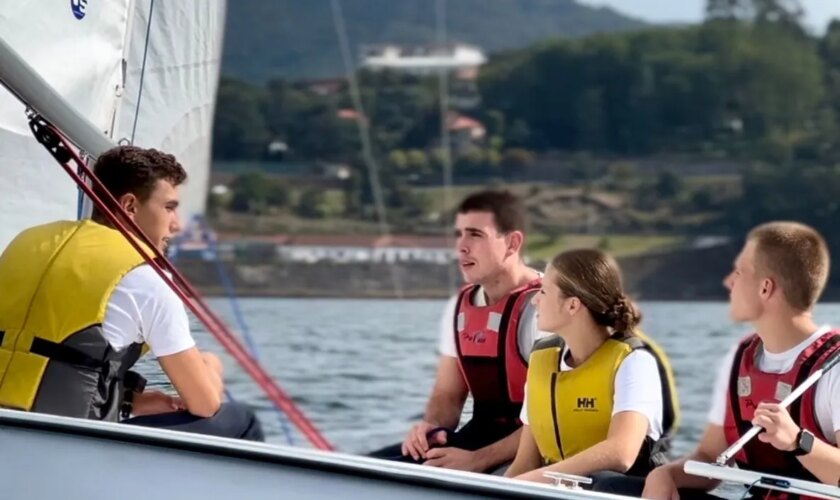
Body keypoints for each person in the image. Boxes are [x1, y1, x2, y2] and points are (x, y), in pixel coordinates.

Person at [0, 145, 263, 441]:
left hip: (9, 431)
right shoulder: (145, 278)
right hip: (68, 444)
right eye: (169, 208)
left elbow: (39, 359)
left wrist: (129, 400)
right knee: (242, 420)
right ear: (129, 206)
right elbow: (204, 404)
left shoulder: (25, 243)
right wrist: (211, 366)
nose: (176, 225)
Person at [643, 221, 840, 499]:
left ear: (765, 288)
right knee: (608, 485)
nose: (729, 282)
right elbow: (711, 456)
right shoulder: (739, 359)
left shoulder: (835, 367)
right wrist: (666, 474)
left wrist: (798, 442)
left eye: (739, 272)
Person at [369, 190, 549, 473]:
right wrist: (432, 430)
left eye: (476, 235)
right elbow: (448, 394)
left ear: (512, 243)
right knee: (371, 468)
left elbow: (557, 418)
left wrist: (478, 461)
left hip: (538, 452)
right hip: (478, 440)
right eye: (459, 234)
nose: (462, 247)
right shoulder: (459, 307)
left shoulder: (547, 307)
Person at [505, 248, 679, 493]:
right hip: (554, 492)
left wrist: (538, 480)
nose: (535, 300)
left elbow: (621, 453)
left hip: (619, 492)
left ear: (573, 305)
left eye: (543, 291)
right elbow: (524, 464)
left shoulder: (634, 362)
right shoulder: (541, 360)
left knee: (604, 482)